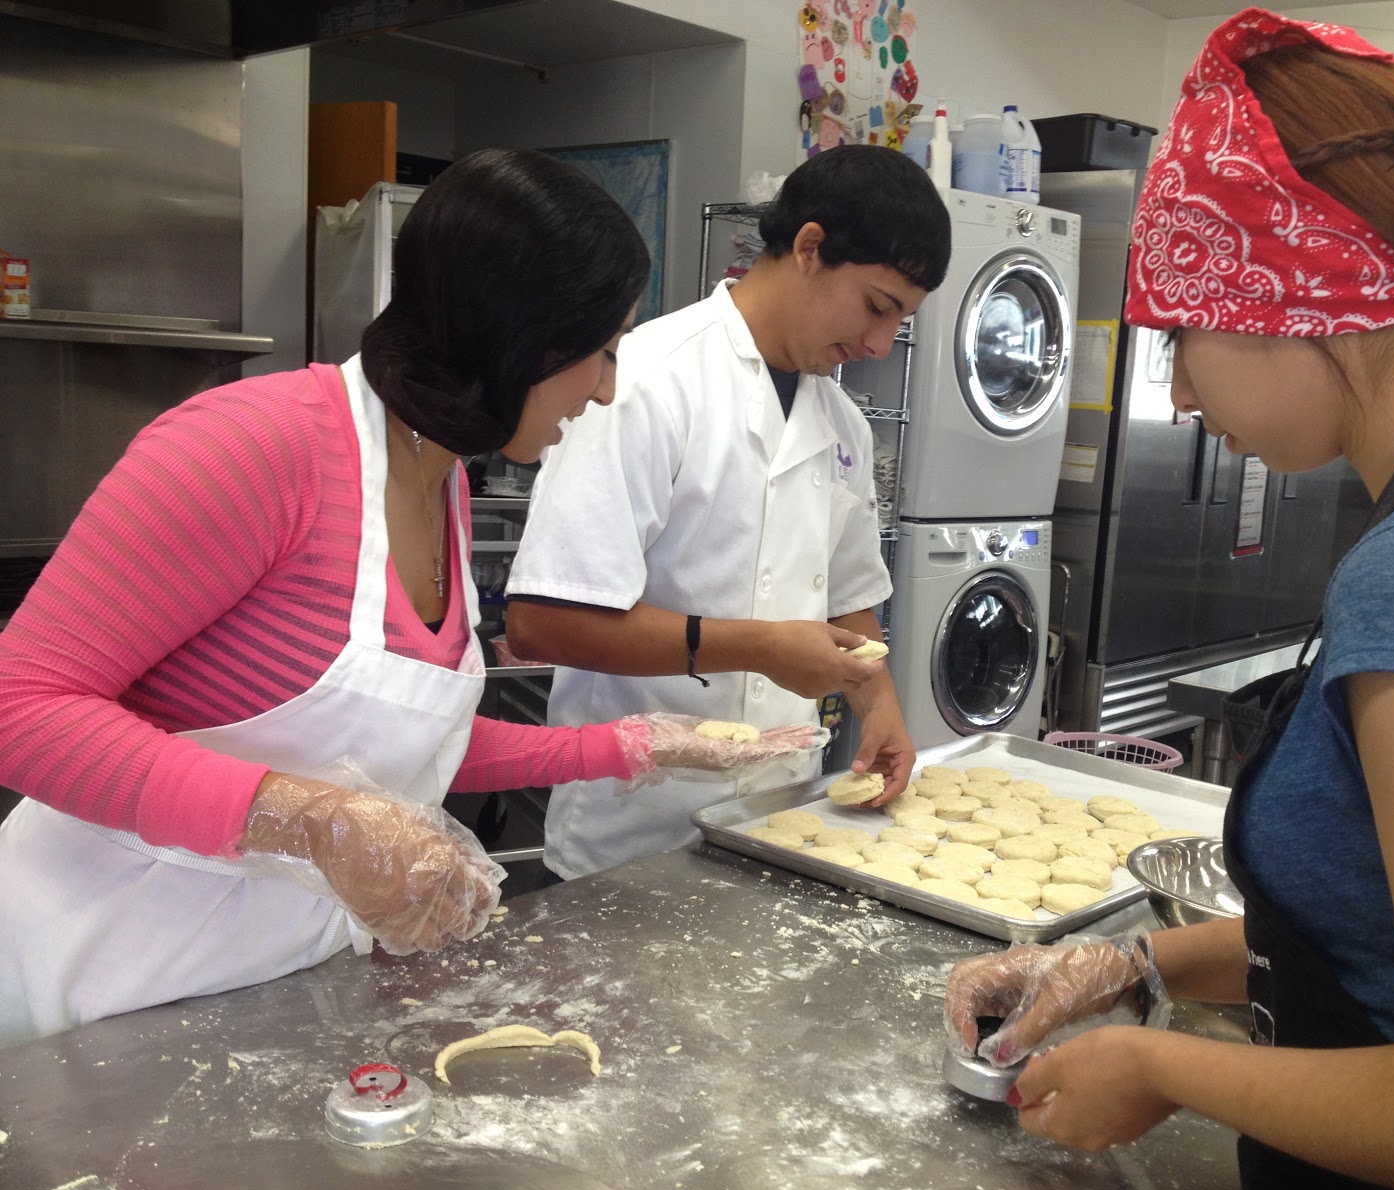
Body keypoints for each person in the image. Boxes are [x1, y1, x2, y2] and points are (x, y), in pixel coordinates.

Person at [945, 10, 1394, 1190]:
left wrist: (1167, 1068)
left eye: (1180, 335)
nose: (1185, 392)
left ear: (1294, 298)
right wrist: (1139, 966)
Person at [0, 148, 820, 1048]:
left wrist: (629, 747)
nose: (607, 389)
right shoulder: (257, 447)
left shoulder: (440, 478)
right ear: (517, 338)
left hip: (254, 988)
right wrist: (312, 820)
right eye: (602, 351)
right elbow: (20, 705)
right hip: (93, 986)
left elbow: (401, 752)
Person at [504, 144, 953, 881]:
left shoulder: (843, 422)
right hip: (633, 828)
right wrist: (761, 647)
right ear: (809, 247)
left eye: (899, 321)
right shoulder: (646, 381)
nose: (879, 344)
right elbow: (543, 620)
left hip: (781, 819)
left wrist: (879, 706)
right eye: (877, 306)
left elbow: (849, 597)